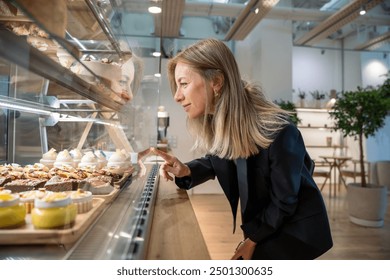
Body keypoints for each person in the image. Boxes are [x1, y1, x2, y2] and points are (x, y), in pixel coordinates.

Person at [152, 38, 333, 260]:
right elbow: (219, 157)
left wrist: (252, 240)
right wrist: (186, 170)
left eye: (184, 83)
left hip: (292, 233)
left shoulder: (278, 131)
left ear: (216, 81)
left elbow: (285, 201)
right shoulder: (231, 124)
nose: (177, 96)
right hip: (267, 225)